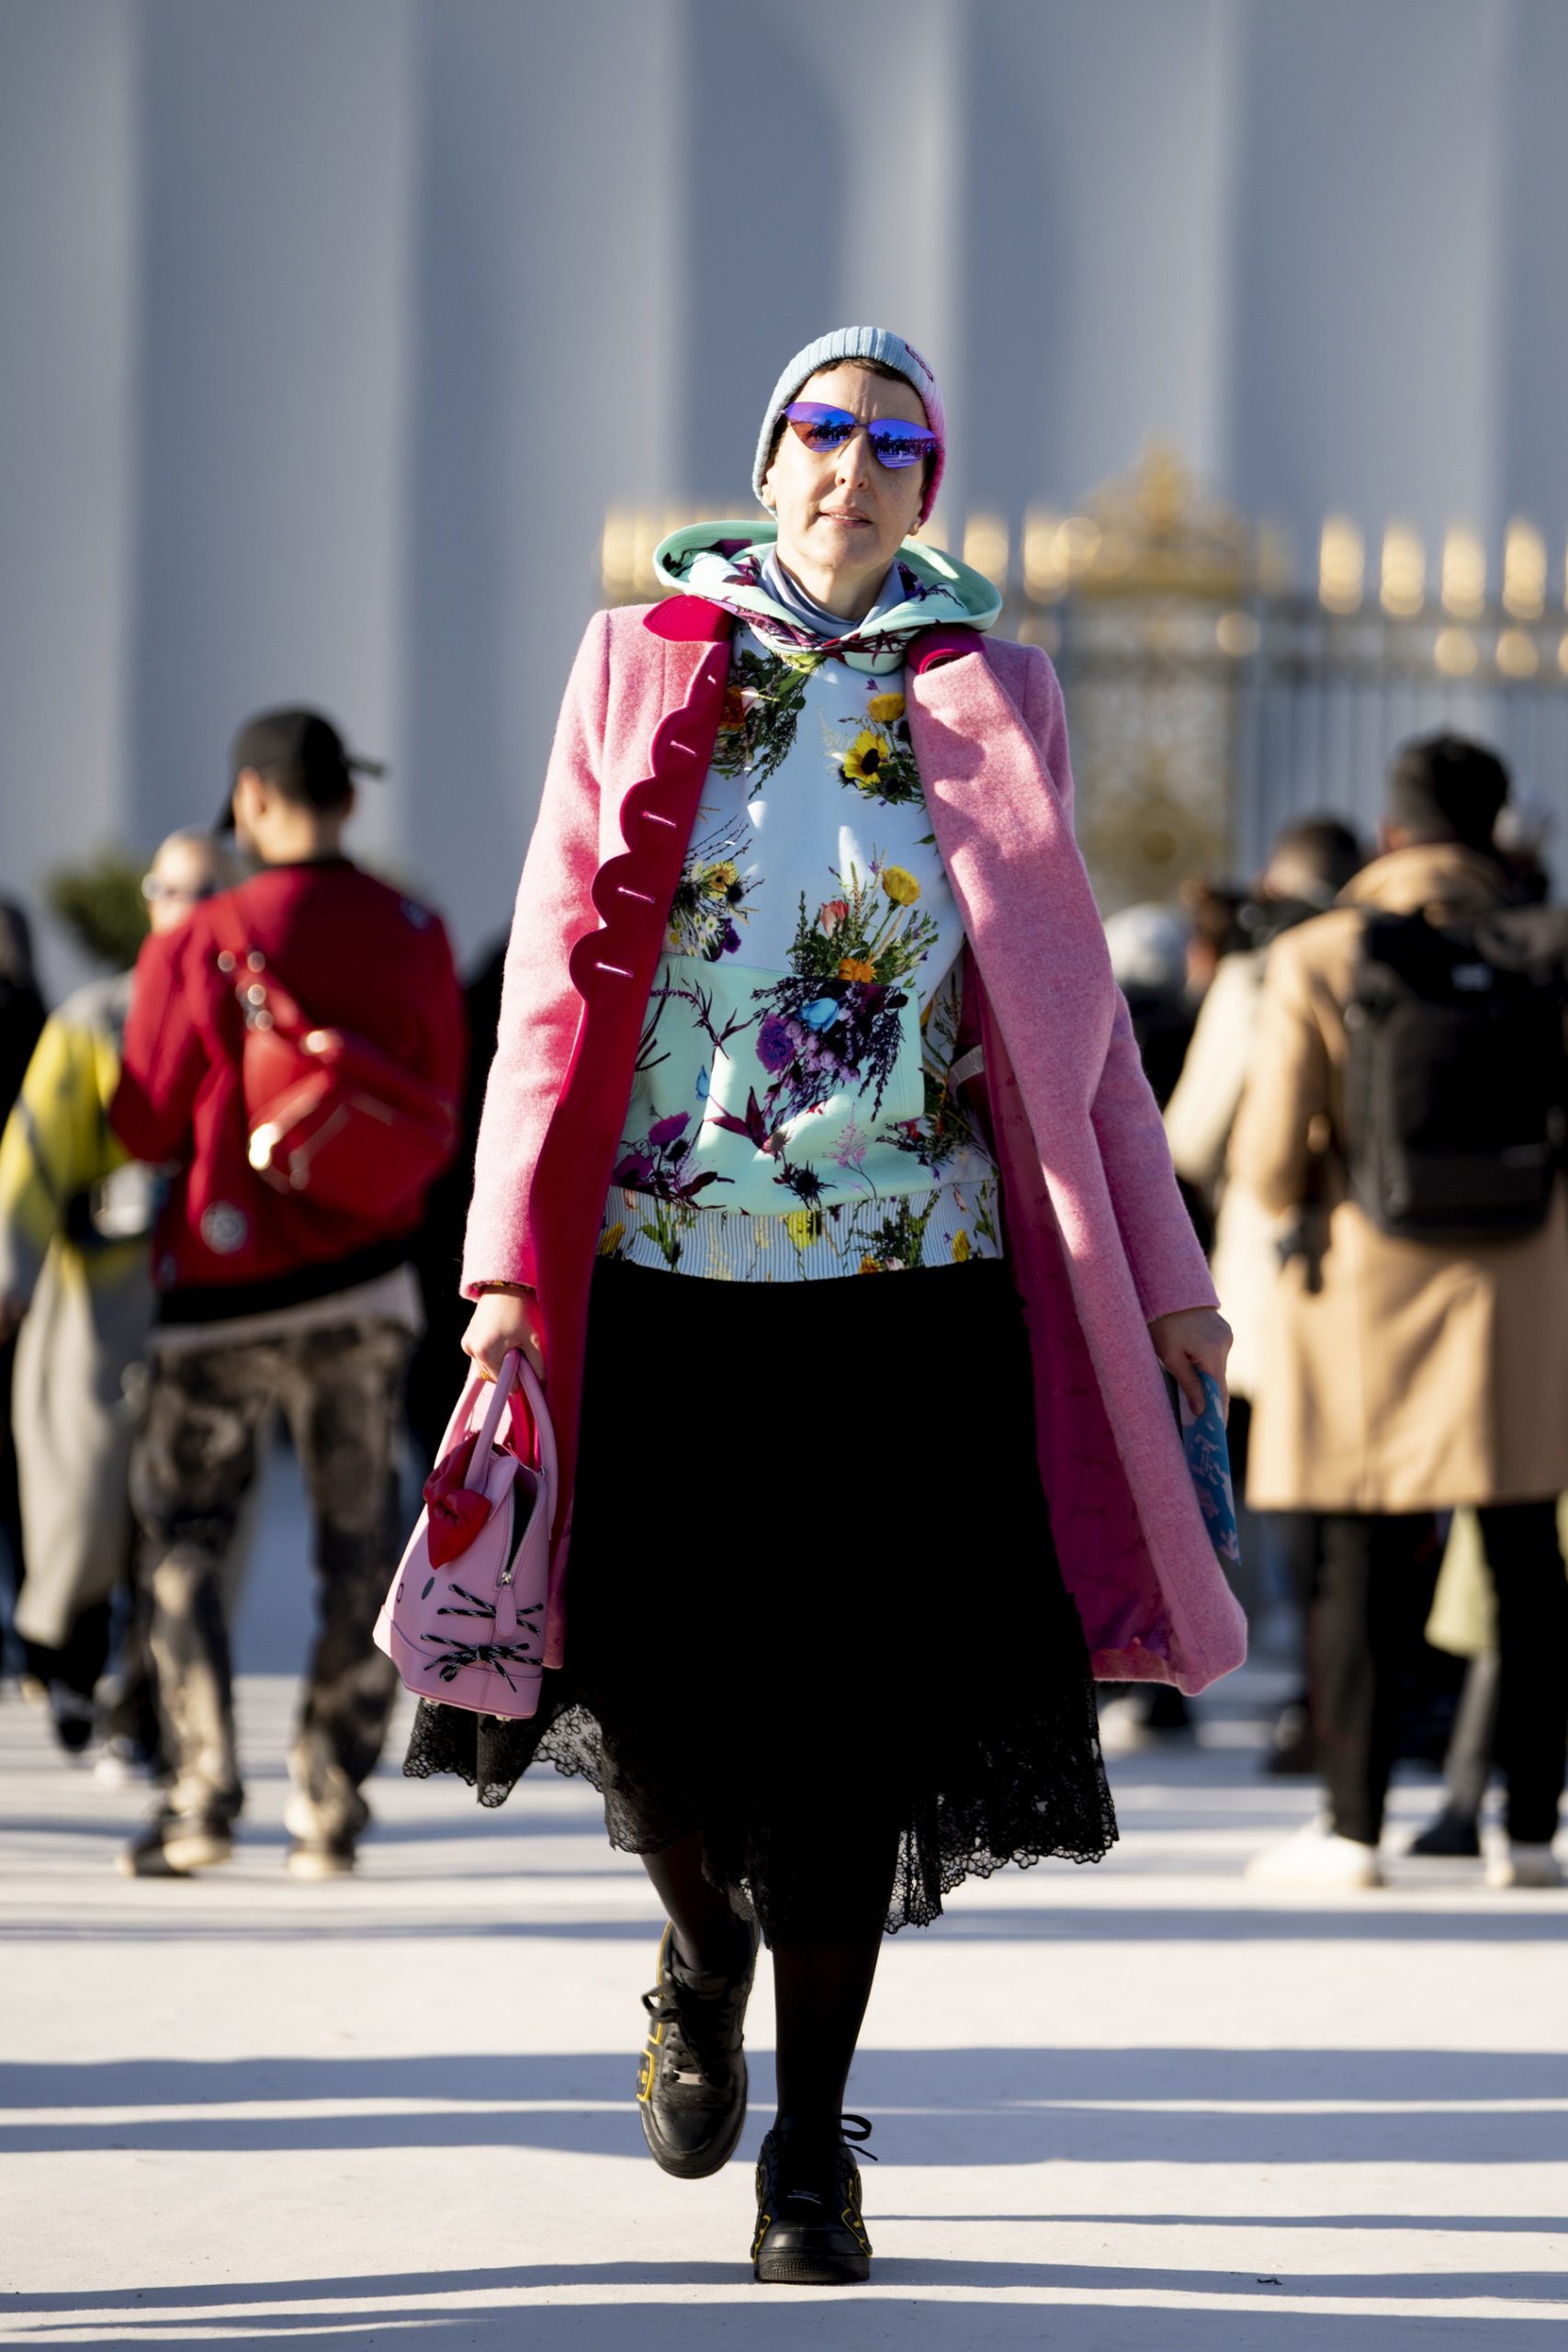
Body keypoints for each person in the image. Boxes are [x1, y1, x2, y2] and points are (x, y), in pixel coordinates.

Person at [403, 325, 1244, 2286]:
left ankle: (810, 2147)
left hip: (908, 1290)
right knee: (674, 1730)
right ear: (762, 461)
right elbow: (548, 970)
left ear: (925, 490)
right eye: (818, 431)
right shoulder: (639, 662)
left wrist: (1173, 1281)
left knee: (850, 1741)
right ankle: (697, 1952)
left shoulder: (997, 689)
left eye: (892, 442)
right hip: (669, 1282)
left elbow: (1075, 1032)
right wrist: (505, 1260)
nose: (849, 466)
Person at [110, 710, 465, 1879]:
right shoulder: (417, 932)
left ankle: (203, 1797)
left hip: (221, 1289)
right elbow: (444, 1114)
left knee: (184, 1537)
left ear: (251, 800)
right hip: (367, 1289)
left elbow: (144, 1122)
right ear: (348, 802)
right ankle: (330, 1804)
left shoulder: (201, 934)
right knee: (360, 1542)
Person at [1232, 735, 1568, 1890]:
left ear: (1389, 834)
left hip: (1370, 1291)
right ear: (1493, 830)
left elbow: (1271, 1164)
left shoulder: (1324, 952)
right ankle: (1528, 1828)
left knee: (1362, 1562)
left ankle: (1354, 1827)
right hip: (1524, 1287)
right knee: (1527, 1557)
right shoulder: (1550, 947)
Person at [0, 831, 240, 1766]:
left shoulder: (257, 1017)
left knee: (189, 1529)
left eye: (212, 892)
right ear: (151, 902)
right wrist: (12, 1272)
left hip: (215, 1310)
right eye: (175, 891)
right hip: (98, 1307)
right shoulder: (97, 1020)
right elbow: (32, 1155)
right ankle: (67, 1666)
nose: (192, 908)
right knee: (83, 1506)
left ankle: (146, 1713)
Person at [1164, 817, 1365, 1769]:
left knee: (1246, 1481)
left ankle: (1219, 1678)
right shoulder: (1394, 956)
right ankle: (1338, 1696)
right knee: (1352, 1508)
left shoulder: (1261, 976)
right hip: (1384, 1279)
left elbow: (1192, 1137)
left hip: (1269, 1279)